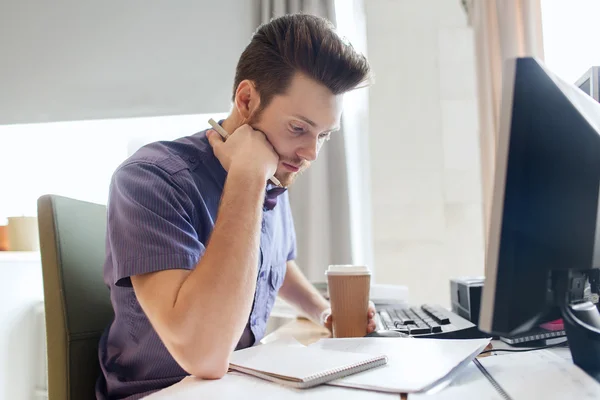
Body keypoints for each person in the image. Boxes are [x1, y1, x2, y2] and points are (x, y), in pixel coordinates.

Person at [96, 13, 375, 400]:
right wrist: (246, 177)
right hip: (160, 392)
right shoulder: (151, 179)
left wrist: (322, 311)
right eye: (299, 128)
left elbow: (274, 264)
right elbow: (204, 355)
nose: (311, 152)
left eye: (323, 135)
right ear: (246, 99)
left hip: (239, 383)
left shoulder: (275, 171)